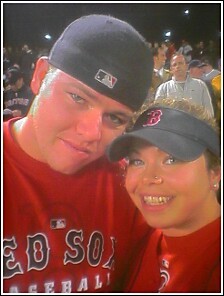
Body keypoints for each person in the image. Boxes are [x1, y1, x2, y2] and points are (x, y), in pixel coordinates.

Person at [3, 14, 153, 293]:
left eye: (115, 119)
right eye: (78, 97)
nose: (91, 133)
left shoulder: (131, 186)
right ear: (40, 76)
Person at [107, 98, 221, 293]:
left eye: (171, 159)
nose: (148, 178)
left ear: (215, 173)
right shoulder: (139, 240)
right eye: (137, 161)